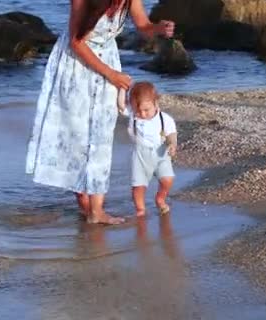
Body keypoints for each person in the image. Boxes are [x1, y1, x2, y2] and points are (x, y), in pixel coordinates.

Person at [25, 0, 174, 224]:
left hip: (108, 62)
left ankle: (97, 210)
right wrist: (111, 74)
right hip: (76, 64)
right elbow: (77, 42)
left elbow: (143, 26)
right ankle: (86, 203)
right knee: (76, 134)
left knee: (101, 134)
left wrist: (158, 29)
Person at [121, 82, 177, 217]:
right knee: (138, 186)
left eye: (146, 110)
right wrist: (122, 88)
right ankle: (140, 209)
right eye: (137, 110)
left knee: (168, 179)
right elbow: (120, 105)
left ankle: (160, 198)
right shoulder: (133, 114)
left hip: (161, 153)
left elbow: (171, 133)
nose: (142, 114)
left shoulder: (165, 118)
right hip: (140, 155)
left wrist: (172, 144)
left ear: (156, 103)